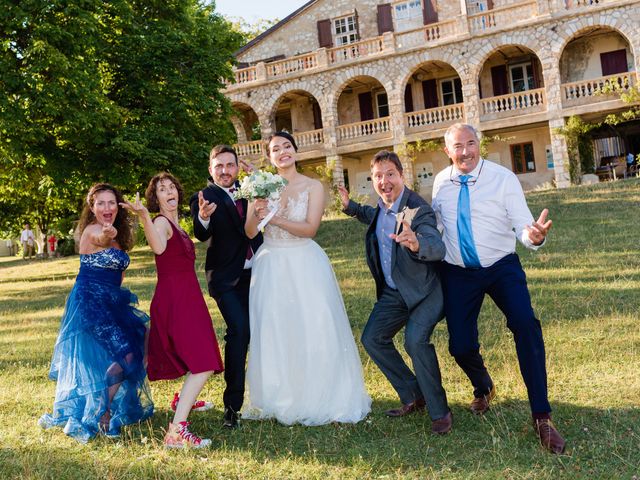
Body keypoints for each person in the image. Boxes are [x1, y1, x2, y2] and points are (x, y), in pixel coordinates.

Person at [431, 123, 565, 454]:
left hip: (501, 266)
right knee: (460, 345)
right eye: (458, 146)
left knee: (526, 326)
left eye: (471, 143)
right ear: (447, 151)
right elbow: (437, 227)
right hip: (459, 272)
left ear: (481, 145)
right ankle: (483, 386)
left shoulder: (502, 178)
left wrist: (534, 236)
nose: (465, 152)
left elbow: (523, 224)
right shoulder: (440, 184)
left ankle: (542, 417)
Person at [242, 131, 371, 425]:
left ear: (296, 151)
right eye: (276, 149)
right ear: (270, 156)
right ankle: (281, 396)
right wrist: (256, 204)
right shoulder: (260, 185)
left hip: (304, 261)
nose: (283, 152)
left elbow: (311, 228)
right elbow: (250, 232)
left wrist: (273, 218)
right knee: (276, 328)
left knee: (314, 325)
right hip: (271, 263)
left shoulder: (313, 186)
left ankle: (320, 394)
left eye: (287, 146)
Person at [338, 150, 452, 435]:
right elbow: (371, 215)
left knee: (415, 341)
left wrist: (416, 244)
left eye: (390, 174)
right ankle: (414, 393)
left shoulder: (418, 209)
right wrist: (350, 207)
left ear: (402, 175)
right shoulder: (381, 208)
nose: (384, 181)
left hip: (426, 291)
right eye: (378, 176)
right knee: (373, 338)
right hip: (395, 292)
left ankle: (440, 412)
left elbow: (436, 246)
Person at [39, 183, 153, 443]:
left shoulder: (120, 235)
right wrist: (107, 233)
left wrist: (117, 303)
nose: (106, 208)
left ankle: (103, 406)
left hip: (112, 301)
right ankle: (101, 413)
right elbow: (102, 239)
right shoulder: (92, 232)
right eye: (100, 203)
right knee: (128, 353)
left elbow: (118, 272)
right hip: (90, 303)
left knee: (139, 339)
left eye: (111, 202)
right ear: (92, 207)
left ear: (118, 206)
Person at [121, 173, 224, 448]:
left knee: (199, 356)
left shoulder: (178, 224)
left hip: (188, 298)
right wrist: (144, 215)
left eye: (171, 187)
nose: (169, 191)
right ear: (156, 198)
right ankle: (176, 432)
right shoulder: (161, 222)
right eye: (161, 189)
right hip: (175, 301)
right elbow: (158, 247)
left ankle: (183, 401)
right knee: (203, 363)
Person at [189, 145, 263, 429]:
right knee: (239, 332)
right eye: (218, 166)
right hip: (225, 280)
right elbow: (200, 231)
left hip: (259, 273)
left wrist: (258, 184)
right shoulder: (204, 197)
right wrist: (205, 216)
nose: (225, 170)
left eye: (230, 165)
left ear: (237, 166)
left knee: (263, 331)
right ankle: (232, 407)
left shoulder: (250, 188)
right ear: (211, 169)